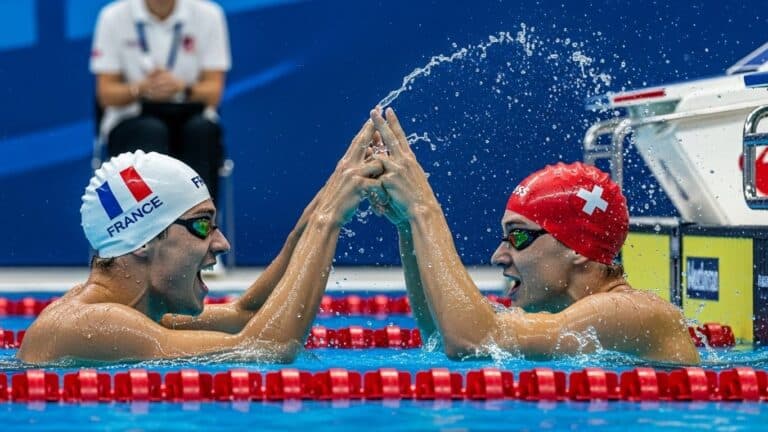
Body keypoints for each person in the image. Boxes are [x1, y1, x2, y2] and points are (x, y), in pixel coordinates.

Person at [17, 120, 383, 364]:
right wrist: (328, 221)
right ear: (143, 240)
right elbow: (267, 348)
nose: (222, 244)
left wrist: (333, 190)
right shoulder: (96, 324)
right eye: (202, 226)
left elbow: (246, 316)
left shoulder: (130, 309)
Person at [367, 107, 700, 365]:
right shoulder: (562, 312)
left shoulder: (629, 311)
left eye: (518, 237)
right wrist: (407, 226)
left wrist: (424, 209)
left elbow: (473, 342)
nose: (498, 256)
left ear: (578, 247)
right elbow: (442, 337)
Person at [90, 0, 230, 203]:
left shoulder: (209, 15)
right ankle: (148, 220)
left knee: (201, 131)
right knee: (150, 131)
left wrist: (182, 88)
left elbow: (214, 93)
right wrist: (141, 88)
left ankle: (201, 220)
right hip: (132, 118)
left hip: (190, 116)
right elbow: (106, 94)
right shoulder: (113, 16)